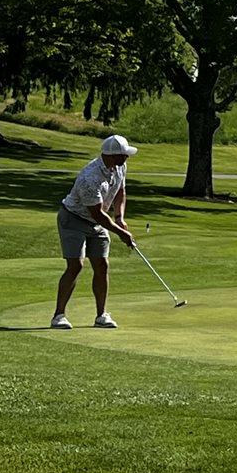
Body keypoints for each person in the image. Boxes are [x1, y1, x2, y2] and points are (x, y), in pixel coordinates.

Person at [52, 134, 138, 330]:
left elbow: (120, 192)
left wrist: (119, 218)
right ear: (113, 155)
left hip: (98, 222)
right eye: (123, 155)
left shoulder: (120, 166)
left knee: (102, 265)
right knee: (76, 265)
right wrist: (121, 233)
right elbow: (98, 214)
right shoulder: (89, 178)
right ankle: (58, 316)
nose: (126, 158)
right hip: (73, 219)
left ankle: (101, 315)